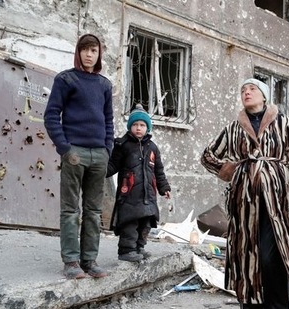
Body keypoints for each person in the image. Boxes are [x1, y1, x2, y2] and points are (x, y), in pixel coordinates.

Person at [200, 78, 289, 308]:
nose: (246, 92)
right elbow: (208, 156)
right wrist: (232, 171)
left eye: (252, 88)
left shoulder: (284, 123)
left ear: (264, 95)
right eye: (243, 90)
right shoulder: (233, 128)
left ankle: (278, 304)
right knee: (248, 255)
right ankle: (250, 304)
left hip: (277, 202)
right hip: (244, 204)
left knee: (274, 256)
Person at [44, 33, 114, 279]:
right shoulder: (66, 79)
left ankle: (90, 261)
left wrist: (107, 150)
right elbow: (51, 115)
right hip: (75, 153)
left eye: (93, 50)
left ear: (98, 54)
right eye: (84, 49)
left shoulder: (105, 85)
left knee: (94, 212)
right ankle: (71, 262)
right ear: (78, 52)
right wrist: (65, 148)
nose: (88, 54)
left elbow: (108, 120)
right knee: (71, 210)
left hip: (99, 156)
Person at [106, 104, 171, 262]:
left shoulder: (153, 148)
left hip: (148, 194)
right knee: (130, 222)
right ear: (130, 127)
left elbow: (159, 171)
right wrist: (101, 170)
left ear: (147, 128)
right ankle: (126, 251)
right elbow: (113, 165)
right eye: (135, 125)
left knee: (146, 222)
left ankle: (139, 247)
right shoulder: (123, 145)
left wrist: (164, 188)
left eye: (142, 125)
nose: (138, 128)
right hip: (129, 192)